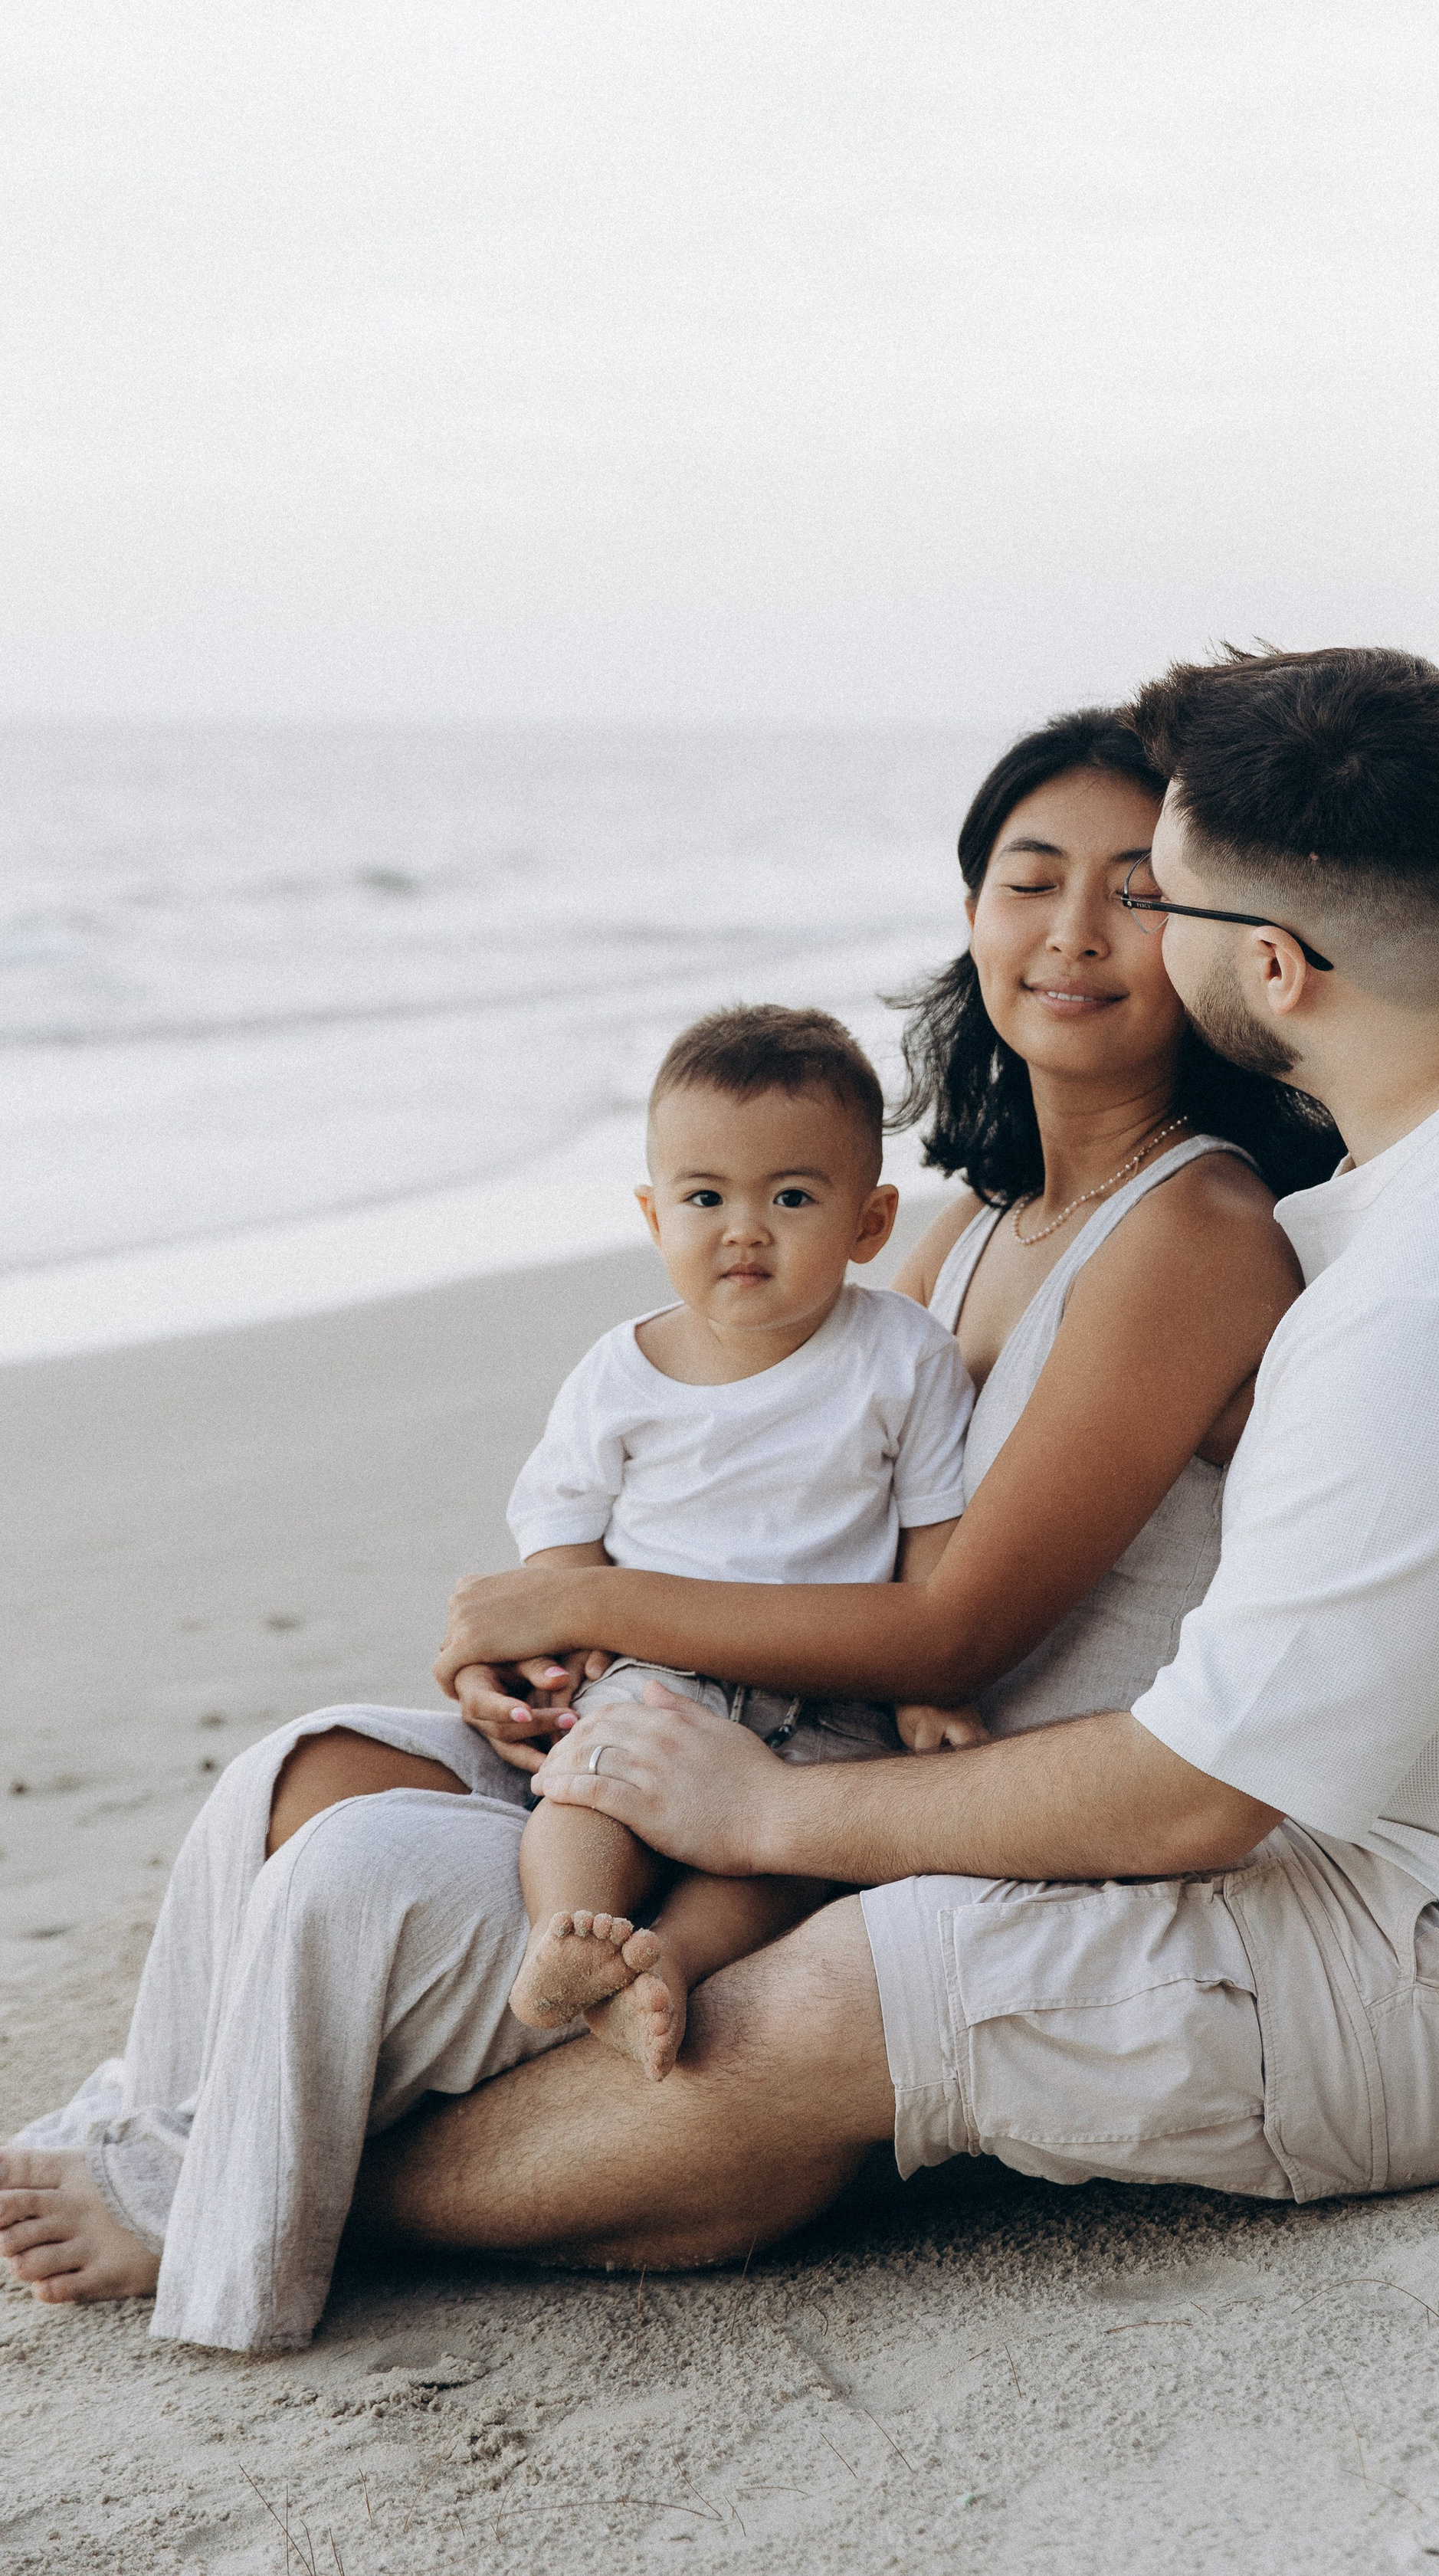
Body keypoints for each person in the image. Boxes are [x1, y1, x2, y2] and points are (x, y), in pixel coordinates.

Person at [351, 643, 1439, 2273]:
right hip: (1418, 1835)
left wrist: (771, 1808)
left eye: (1160, 896)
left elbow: (1194, 1792)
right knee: (411, 1805)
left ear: (1266, 965)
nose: (1096, 931)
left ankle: (307, 2201)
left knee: (820, 2000)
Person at [1, 706, 1332, 2345]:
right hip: (696, 1723)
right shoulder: (960, 1230)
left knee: (355, 1870)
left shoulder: (1191, 1224)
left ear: (1207, 937)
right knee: (300, 1770)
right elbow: (763, 1484)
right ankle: (170, 2126)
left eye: (1131, 889)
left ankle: (222, 2200)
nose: (1068, 932)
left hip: (889, 1791)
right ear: (970, 913)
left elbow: (950, 1629)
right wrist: (535, 1645)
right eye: (1023, 878)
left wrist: (601, 1594)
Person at [500, 1003, 978, 2083]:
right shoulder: (619, 1373)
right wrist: (575, 1660)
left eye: (792, 1197)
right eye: (704, 1196)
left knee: (792, 1857)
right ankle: (566, 1933)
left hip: (833, 1690)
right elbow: (560, 1535)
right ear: (652, 1212)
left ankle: (667, 1960)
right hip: (662, 1677)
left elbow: (933, 1530)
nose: (743, 1228)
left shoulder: (902, 1353)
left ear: (871, 1220)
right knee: (588, 1788)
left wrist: (929, 1689)